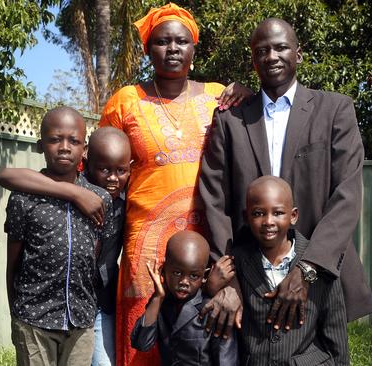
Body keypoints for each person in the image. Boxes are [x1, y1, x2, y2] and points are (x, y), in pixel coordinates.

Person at [199, 18, 372, 338]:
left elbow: (347, 195)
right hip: (249, 275)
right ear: (253, 60)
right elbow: (214, 200)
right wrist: (229, 278)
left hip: (319, 276)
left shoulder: (335, 110)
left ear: (299, 54)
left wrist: (307, 270)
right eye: (261, 50)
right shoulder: (231, 119)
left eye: (280, 47)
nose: (271, 56)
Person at [99, 3, 251, 365]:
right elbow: (101, 169)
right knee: (145, 340)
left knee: (208, 337)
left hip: (208, 248)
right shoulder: (126, 101)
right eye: (161, 41)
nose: (172, 49)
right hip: (147, 250)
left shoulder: (220, 96)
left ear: (193, 49)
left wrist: (247, 93)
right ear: (148, 50)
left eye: (181, 41)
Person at [0, 126, 131, 366]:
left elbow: (95, 254)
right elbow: (5, 175)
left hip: (86, 310)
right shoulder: (29, 195)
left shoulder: (107, 199)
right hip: (36, 314)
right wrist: (75, 193)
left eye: (121, 170)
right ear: (88, 157)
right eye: (104, 169)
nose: (113, 177)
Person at [233, 176, 349, 366]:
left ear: (293, 215)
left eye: (278, 213)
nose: (268, 221)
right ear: (246, 217)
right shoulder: (238, 261)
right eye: (258, 213)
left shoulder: (318, 262)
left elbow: (335, 330)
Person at [130, 231, 238, 365]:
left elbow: (226, 361)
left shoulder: (213, 308)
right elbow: (141, 343)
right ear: (163, 270)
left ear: (204, 276)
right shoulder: (161, 303)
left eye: (194, 276)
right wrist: (157, 298)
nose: (184, 282)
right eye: (177, 273)